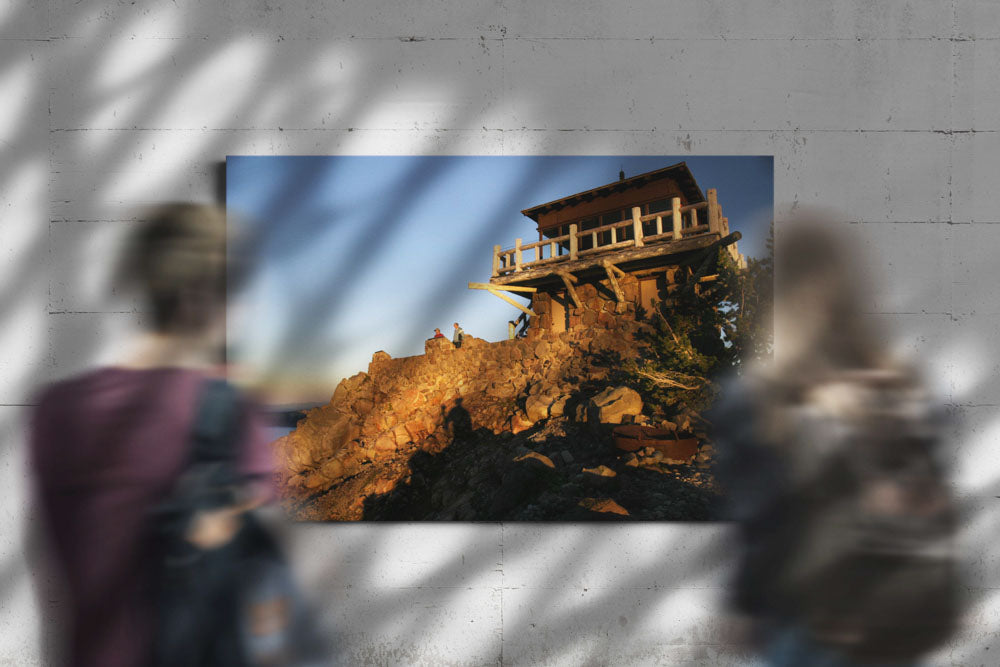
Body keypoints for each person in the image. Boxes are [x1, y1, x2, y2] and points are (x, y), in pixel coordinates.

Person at [30, 204, 275, 667]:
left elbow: (55, 585)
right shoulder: (224, 412)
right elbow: (264, 593)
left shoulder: (56, 409)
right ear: (200, 297)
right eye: (240, 293)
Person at [711, 215, 958, 666]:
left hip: (805, 615)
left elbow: (761, 518)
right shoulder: (904, 386)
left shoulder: (762, 398)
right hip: (892, 612)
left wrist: (744, 604)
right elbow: (939, 501)